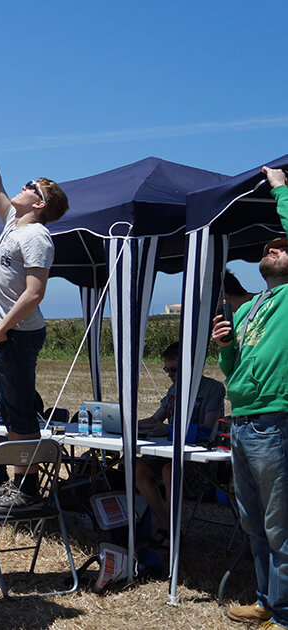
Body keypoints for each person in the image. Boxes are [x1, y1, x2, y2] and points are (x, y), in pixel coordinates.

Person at [0, 108, 69, 510]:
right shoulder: (15, 222)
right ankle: (13, 480)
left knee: (19, 413)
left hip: (15, 333)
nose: (23, 185)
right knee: (8, 410)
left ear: (41, 202)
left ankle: (26, 490)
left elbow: (34, 292)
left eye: (31, 185)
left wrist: (1, 328)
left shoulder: (37, 236)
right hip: (5, 330)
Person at [213, 166, 288, 628]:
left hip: (276, 420)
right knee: (253, 522)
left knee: (281, 524)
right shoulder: (252, 306)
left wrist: (281, 189)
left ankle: (282, 613)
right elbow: (233, 372)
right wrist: (225, 347)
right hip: (242, 419)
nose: (273, 248)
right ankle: (266, 599)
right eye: (269, 247)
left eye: (281, 246)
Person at [134, 342, 225, 540]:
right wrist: (128, 425)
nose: (169, 374)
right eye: (167, 369)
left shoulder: (213, 389)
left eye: (174, 369)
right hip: (172, 454)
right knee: (137, 467)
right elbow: (155, 419)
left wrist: (167, 429)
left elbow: (206, 431)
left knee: (169, 470)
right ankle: (166, 526)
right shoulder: (173, 390)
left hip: (200, 459)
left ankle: (172, 532)